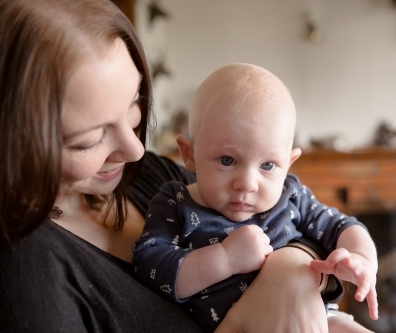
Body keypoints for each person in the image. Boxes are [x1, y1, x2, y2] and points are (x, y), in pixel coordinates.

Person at [0, 1, 350, 332]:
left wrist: (289, 268)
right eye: (89, 139)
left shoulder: (153, 177)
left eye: (133, 103)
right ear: (14, 139)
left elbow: (289, 221)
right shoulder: (25, 278)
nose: (136, 149)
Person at [133, 63, 378, 332]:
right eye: (227, 160)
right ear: (189, 154)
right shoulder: (175, 203)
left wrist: (360, 258)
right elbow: (152, 268)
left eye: (268, 166)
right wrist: (225, 259)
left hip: (319, 319)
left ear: (288, 163)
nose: (247, 184)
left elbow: (342, 225)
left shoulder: (290, 194)